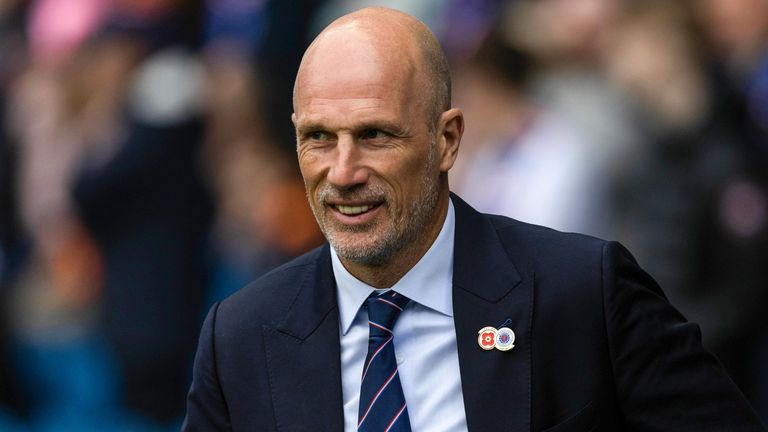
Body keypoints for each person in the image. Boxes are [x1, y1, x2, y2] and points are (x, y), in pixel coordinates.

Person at [183, 7, 766, 431]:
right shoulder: (239, 338)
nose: (342, 171)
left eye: (374, 135)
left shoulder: (586, 294)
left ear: (447, 140)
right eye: (317, 138)